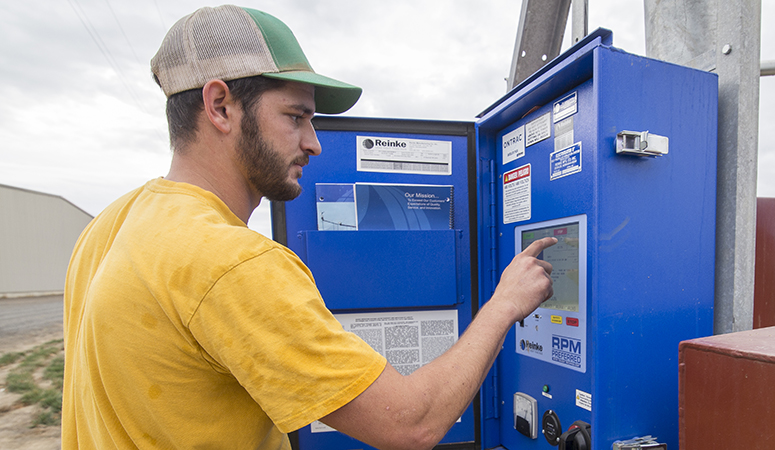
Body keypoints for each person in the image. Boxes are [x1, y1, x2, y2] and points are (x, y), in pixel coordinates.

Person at [62, 5, 557, 450]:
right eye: (296, 117)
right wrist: (505, 304)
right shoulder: (230, 261)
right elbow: (411, 424)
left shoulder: (111, 226)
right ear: (220, 106)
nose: (315, 143)